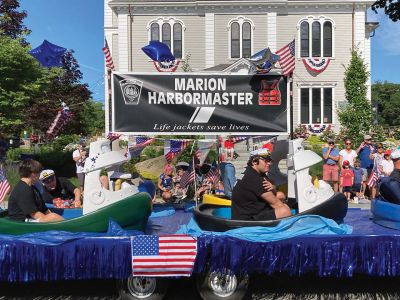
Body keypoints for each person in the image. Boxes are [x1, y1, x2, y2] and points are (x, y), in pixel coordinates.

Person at [231, 149, 291, 221]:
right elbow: (276, 204)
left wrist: (273, 187)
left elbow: (272, 191)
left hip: (243, 211)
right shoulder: (255, 179)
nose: (269, 163)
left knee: (281, 195)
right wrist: (289, 213)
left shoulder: (250, 171)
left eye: (269, 160)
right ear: (254, 162)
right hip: (247, 220)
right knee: (285, 211)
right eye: (266, 160)